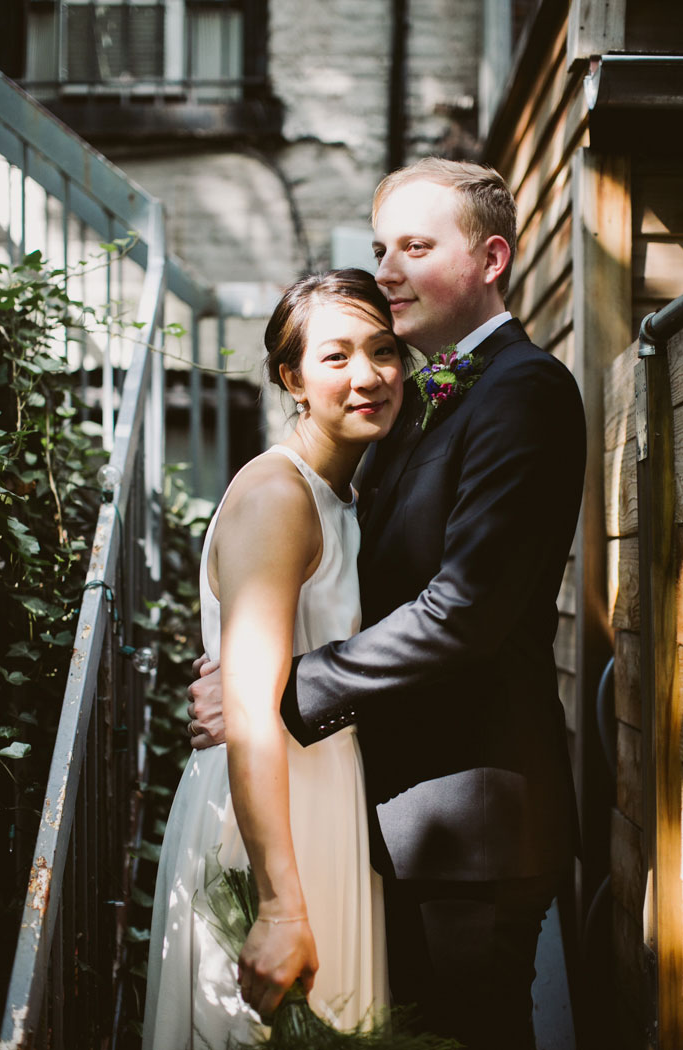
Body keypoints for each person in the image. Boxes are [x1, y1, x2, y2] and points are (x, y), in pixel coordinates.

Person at [188, 158, 587, 1050]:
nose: (389, 271)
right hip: (394, 820)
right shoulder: (422, 402)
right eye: (381, 249)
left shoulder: (525, 392)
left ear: (491, 259)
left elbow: (463, 611)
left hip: (471, 826)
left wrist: (279, 692)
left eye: (415, 246)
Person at [143, 268, 408, 1050]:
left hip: (326, 797)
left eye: (384, 350)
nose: (368, 376)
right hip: (273, 825)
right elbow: (252, 710)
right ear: (292, 377)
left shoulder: (340, 490)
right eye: (336, 357)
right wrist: (279, 905)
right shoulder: (278, 497)